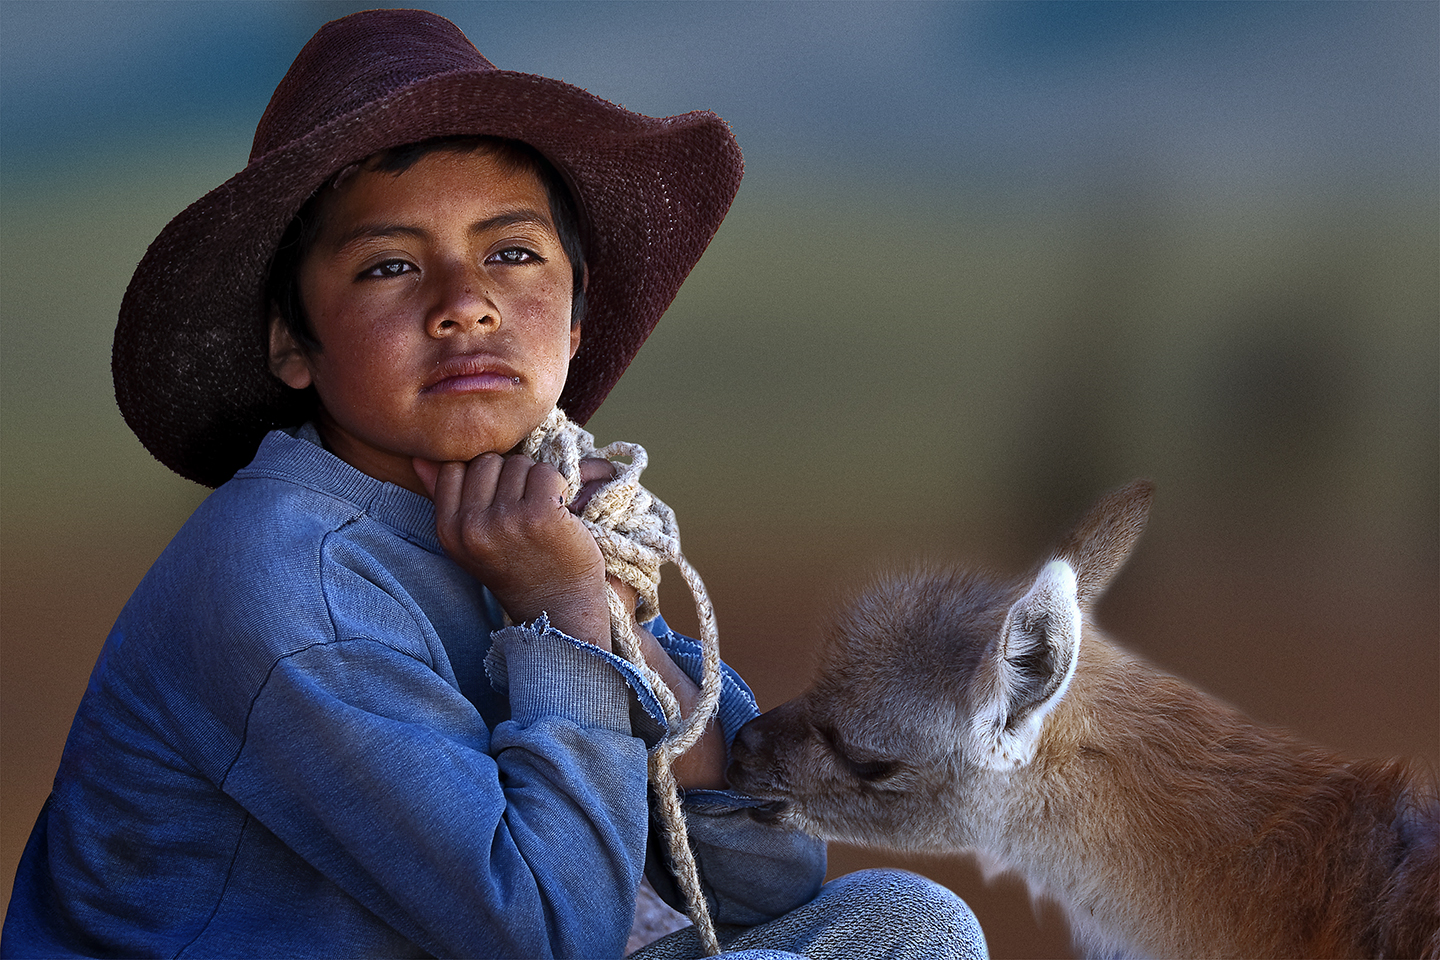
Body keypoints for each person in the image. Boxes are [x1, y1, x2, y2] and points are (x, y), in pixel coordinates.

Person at [1, 10, 987, 959]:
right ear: (290, 341)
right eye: (389, 266)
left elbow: (759, 884)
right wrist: (555, 610)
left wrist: (611, 612)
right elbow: (547, 937)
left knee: (906, 922)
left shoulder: (539, 510)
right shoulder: (285, 581)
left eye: (512, 254)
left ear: (576, 321)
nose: (465, 306)